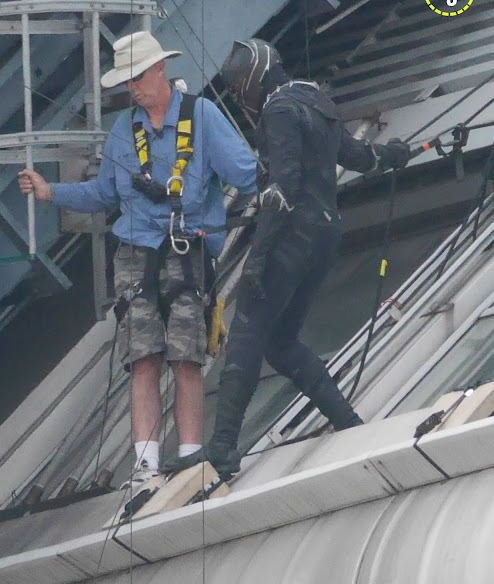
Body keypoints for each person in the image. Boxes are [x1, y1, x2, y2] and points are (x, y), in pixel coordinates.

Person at [18, 30, 257, 489]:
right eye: (126, 81)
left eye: (137, 77)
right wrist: (51, 192)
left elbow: (245, 173)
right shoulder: (123, 130)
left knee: (186, 355)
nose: (132, 88)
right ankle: (145, 466)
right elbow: (105, 194)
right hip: (134, 252)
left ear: (160, 68)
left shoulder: (201, 115)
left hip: (186, 249)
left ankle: (190, 457)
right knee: (142, 356)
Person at [163, 38, 411, 479]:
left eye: (238, 90)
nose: (240, 98)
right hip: (325, 237)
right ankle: (348, 422)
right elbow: (361, 157)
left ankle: (222, 448)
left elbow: (281, 191)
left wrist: (258, 259)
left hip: (291, 237)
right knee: (280, 342)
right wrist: (394, 154)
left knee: (246, 331)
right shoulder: (316, 100)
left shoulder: (278, 110)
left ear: (252, 80)